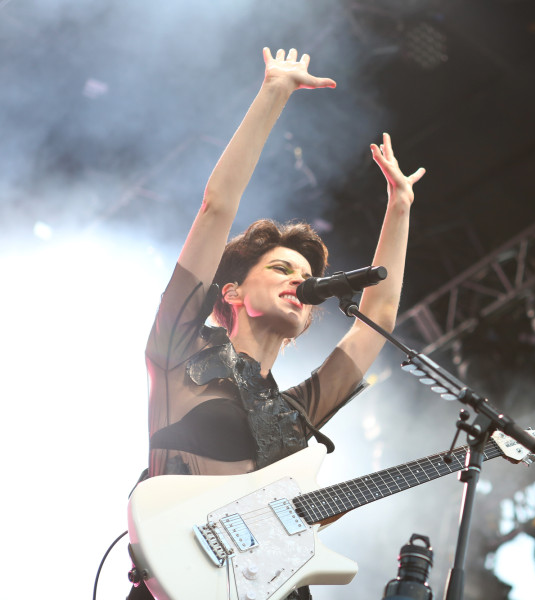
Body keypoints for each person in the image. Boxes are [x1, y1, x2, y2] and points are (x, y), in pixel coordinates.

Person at [127, 47, 425, 600]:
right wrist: (274, 92)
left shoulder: (295, 415)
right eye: (282, 267)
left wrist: (399, 208)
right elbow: (217, 207)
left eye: (307, 277)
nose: (299, 280)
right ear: (234, 292)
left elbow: (376, 317)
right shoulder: (180, 350)